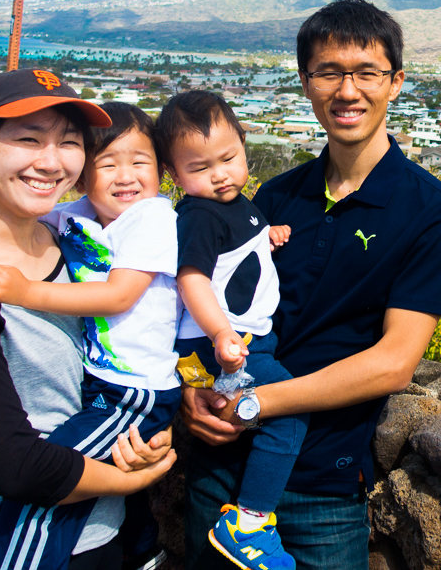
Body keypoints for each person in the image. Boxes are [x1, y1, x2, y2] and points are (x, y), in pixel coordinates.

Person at [182, 0, 441, 570]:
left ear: (396, 83)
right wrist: (195, 393)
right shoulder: (273, 198)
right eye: (329, 72)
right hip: (222, 470)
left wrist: (251, 405)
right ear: (306, 81)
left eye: (367, 73)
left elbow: (394, 363)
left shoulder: (433, 213)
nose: (348, 90)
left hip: (325, 487)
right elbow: (210, 306)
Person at [0, 69, 176, 570]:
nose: (51, 162)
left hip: (102, 533)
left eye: (70, 143)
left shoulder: (68, 238)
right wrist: (138, 476)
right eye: (29, 139)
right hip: (9, 544)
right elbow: (17, 466)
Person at [151, 90, 303, 570]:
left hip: (242, 341)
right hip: (224, 347)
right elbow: (193, 278)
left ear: (242, 144)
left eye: (229, 158)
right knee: (290, 414)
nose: (219, 175)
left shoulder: (243, 206)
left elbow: (236, 261)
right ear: (173, 175)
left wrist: (269, 237)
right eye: (199, 168)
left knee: (255, 417)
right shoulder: (197, 215)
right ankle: (250, 522)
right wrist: (220, 334)